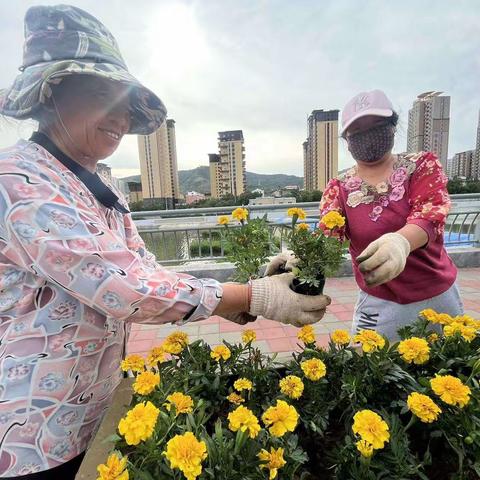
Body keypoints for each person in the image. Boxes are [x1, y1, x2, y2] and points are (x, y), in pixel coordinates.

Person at [0, 5, 330, 479]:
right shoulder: (19, 178)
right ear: (50, 94)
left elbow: (145, 271)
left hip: (90, 408)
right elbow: (123, 289)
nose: (118, 117)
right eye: (99, 96)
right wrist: (251, 297)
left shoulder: (97, 185)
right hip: (33, 430)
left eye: (124, 104)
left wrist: (249, 291)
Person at [268, 89, 463, 340]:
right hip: (379, 302)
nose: (367, 136)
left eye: (377, 126)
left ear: (392, 127)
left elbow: (429, 214)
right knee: (369, 371)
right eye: (357, 132)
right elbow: (329, 236)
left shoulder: (421, 165)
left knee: (447, 371)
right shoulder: (338, 187)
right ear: (347, 140)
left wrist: (401, 242)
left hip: (437, 296)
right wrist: (299, 256)